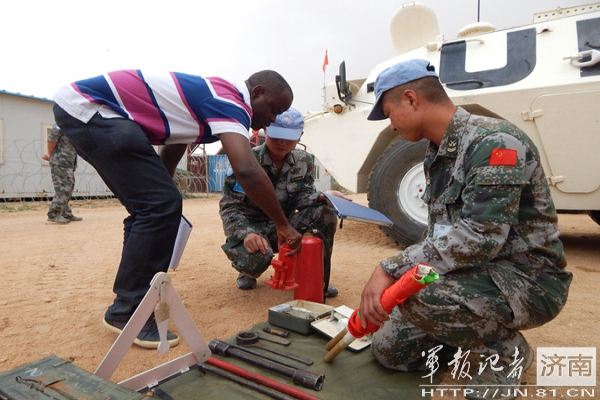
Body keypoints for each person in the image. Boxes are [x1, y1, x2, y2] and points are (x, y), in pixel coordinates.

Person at [359, 59, 572, 400]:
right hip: (475, 272)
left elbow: (481, 237)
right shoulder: (439, 152)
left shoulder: (495, 142)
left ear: (411, 99)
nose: (391, 125)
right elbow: (441, 234)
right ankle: (460, 332)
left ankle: (507, 353)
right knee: (391, 352)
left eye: (389, 113)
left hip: (528, 279)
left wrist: (390, 268)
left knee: (417, 294)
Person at [52, 69, 303, 349]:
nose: (273, 119)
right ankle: (129, 311)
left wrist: (160, 192)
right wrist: (283, 225)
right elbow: (247, 170)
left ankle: (132, 302)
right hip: (92, 108)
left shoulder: (213, 97)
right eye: (274, 109)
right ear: (257, 93)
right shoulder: (232, 103)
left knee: (156, 205)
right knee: (159, 205)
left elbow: (175, 144)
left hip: (89, 108)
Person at [219, 108, 349, 296]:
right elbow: (230, 207)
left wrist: (322, 196)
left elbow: (302, 196)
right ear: (265, 130)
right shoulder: (246, 160)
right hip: (254, 229)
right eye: (276, 135)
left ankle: (316, 277)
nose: (281, 142)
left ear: (300, 136)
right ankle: (247, 272)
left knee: (325, 213)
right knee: (254, 260)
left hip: (286, 229)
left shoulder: (304, 161)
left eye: (288, 137)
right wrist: (246, 234)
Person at [41, 125, 82, 224]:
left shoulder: (71, 127)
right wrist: (50, 155)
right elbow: (52, 140)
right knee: (63, 188)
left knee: (68, 188)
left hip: (68, 163)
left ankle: (64, 212)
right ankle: (54, 213)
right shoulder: (59, 126)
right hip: (60, 162)